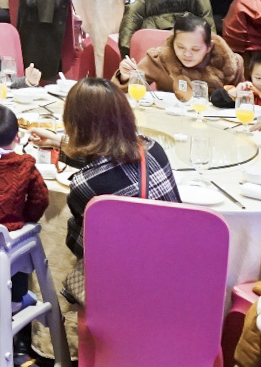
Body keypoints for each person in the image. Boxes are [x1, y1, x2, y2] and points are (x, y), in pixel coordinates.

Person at [56, 78, 178, 304]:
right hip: (175, 278)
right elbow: (112, 162)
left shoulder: (85, 184)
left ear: (74, 123)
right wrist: (60, 144)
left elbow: (83, 248)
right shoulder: (154, 149)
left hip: (124, 293)